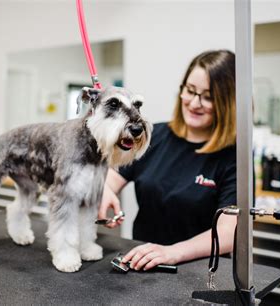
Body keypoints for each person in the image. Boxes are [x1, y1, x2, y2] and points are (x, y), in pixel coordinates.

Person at [98, 50, 238, 271]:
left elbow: (228, 232)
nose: (194, 103)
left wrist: (172, 252)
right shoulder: (153, 136)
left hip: (201, 273)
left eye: (208, 96)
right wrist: (105, 193)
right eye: (189, 91)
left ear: (227, 102)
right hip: (143, 264)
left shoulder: (233, 157)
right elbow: (110, 179)